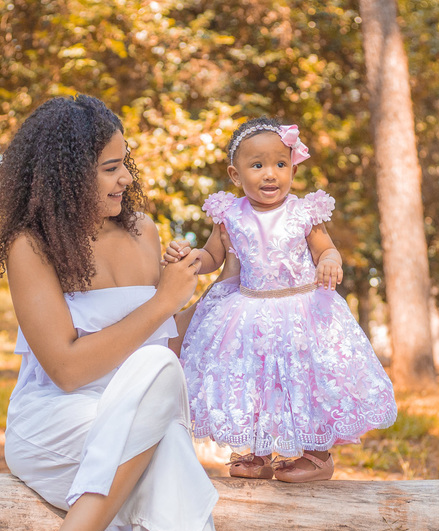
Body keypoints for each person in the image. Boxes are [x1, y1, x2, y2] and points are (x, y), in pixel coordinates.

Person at [0, 94, 289, 531]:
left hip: (138, 426)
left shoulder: (145, 233)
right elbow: (67, 368)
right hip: (57, 425)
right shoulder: (30, 247)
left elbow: (164, 356)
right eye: (108, 168)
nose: (126, 179)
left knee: (159, 381)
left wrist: (198, 296)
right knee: (165, 437)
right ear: (64, 174)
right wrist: (162, 305)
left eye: (126, 164)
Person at [166, 118, 397, 483]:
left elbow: (326, 249)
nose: (270, 174)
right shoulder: (229, 214)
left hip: (301, 309)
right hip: (249, 310)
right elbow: (214, 257)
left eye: (280, 164)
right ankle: (256, 453)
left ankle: (317, 454)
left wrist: (330, 262)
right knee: (253, 381)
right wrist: (192, 259)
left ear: (293, 167)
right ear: (235, 173)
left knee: (307, 378)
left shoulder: (304, 212)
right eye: (257, 166)